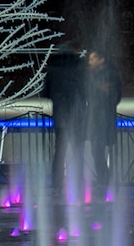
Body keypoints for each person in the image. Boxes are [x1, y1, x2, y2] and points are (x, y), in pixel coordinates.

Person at [43, 43, 85, 193]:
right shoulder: (79, 67)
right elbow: (85, 90)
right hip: (77, 114)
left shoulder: (52, 69)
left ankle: (57, 185)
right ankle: (79, 184)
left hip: (60, 115)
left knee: (59, 151)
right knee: (78, 150)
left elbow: (45, 93)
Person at [84, 49, 122, 193]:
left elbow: (114, 96)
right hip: (97, 118)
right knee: (97, 150)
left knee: (99, 150)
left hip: (104, 118)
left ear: (102, 59)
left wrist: (100, 90)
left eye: (93, 58)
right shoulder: (92, 75)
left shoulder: (109, 75)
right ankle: (105, 179)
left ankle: (105, 180)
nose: (90, 61)